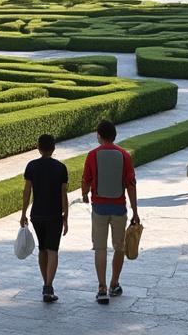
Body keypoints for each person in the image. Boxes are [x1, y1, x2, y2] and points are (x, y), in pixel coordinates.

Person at [81, 120, 138, 305]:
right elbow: (131, 185)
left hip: (99, 206)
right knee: (119, 247)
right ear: (114, 135)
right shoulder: (124, 155)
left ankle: (101, 287)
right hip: (119, 206)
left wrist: (84, 194)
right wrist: (135, 211)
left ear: (99, 135)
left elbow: (86, 180)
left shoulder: (92, 155)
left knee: (100, 248)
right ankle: (114, 283)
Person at [20, 133, 69, 303]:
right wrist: (66, 216)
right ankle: (49, 285)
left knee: (42, 249)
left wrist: (23, 213)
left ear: (38, 148)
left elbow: (27, 192)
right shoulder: (61, 168)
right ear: (54, 148)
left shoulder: (31, 166)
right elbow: (63, 194)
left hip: (37, 213)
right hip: (54, 214)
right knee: (53, 250)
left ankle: (45, 283)